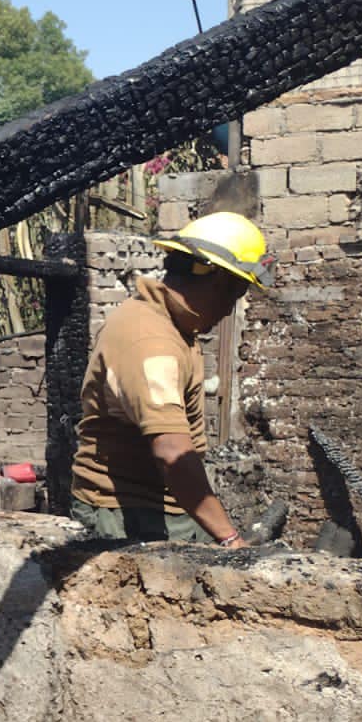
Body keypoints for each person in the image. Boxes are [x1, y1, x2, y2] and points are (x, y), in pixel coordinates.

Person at [70, 211, 273, 547]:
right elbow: (171, 451)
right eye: (234, 296)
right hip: (129, 518)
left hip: (156, 510)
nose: (228, 311)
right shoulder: (151, 341)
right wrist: (231, 539)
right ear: (219, 281)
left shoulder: (174, 327)